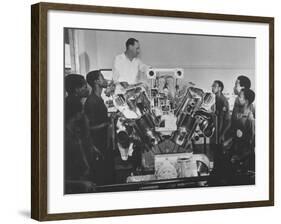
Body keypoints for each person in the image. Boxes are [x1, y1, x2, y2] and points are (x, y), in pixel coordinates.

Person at [64, 74, 96, 193]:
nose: (87, 88)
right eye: (83, 86)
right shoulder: (72, 106)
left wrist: (92, 147)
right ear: (76, 89)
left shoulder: (79, 103)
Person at [84, 70, 114, 185]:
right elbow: (89, 128)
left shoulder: (99, 99)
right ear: (96, 81)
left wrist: (110, 117)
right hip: (98, 145)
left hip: (103, 142)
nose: (105, 80)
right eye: (102, 77)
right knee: (102, 177)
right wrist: (108, 122)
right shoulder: (92, 101)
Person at [229, 88, 255, 173]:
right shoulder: (239, 113)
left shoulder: (250, 117)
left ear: (246, 101)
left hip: (244, 154)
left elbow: (251, 140)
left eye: (240, 96)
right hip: (237, 148)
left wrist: (240, 157)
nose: (237, 98)